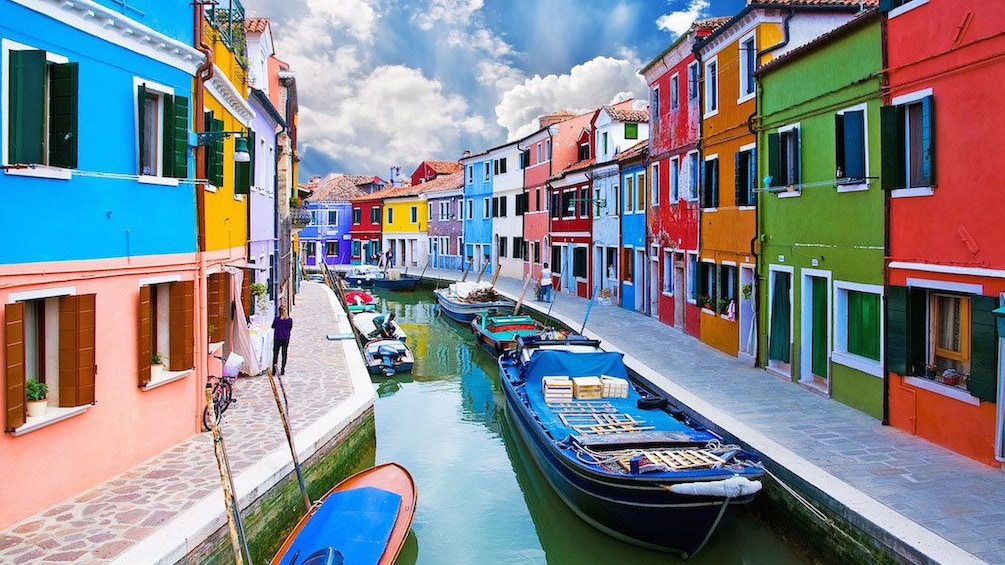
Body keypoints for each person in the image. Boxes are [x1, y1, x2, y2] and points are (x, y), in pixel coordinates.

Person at [271, 304, 293, 375]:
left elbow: (273, 326)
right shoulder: (289, 320)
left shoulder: (277, 319)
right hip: (285, 338)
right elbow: (290, 328)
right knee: (284, 354)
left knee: (275, 354)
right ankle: (282, 370)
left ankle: (274, 371)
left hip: (277, 338)